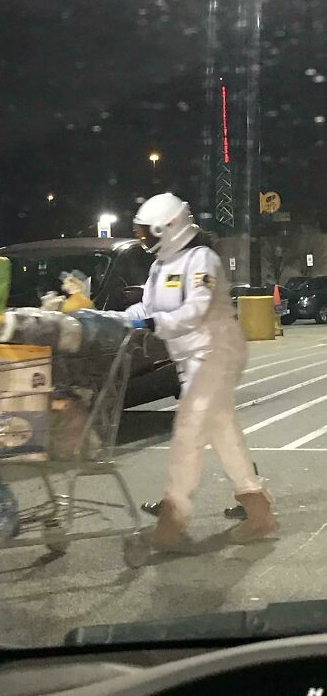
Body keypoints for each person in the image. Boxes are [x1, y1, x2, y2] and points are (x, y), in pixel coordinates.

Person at [104, 193, 278, 548]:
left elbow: (195, 310)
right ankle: (258, 510)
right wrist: (113, 319)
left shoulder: (203, 260)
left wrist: (155, 322)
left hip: (217, 352)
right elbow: (146, 306)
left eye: (148, 234)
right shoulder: (159, 267)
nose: (144, 242)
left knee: (189, 429)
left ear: (170, 228)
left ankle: (173, 517)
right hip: (190, 360)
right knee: (223, 433)